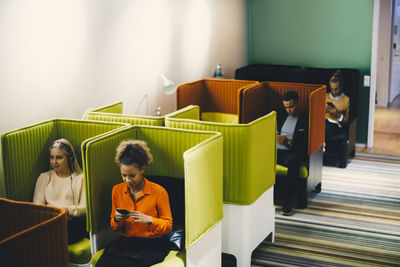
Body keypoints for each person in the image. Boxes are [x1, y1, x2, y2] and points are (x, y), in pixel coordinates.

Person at [96, 140, 173, 267]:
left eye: (132, 175)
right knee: (102, 264)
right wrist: (116, 219)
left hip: (153, 244)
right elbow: (115, 227)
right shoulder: (117, 190)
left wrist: (150, 220)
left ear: (142, 169)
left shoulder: (159, 192)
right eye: (123, 175)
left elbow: (168, 226)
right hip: (128, 242)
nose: (128, 180)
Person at [33, 138, 87, 244]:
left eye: (59, 158)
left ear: (69, 158)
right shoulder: (44, 177)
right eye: (51, 157)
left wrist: (68, 210)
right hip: (49, 221)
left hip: (70, 223)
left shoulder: (81, 178)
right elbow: (36, 207)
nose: (54, 162)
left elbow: (85, 208)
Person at [276, 91, 308, 216]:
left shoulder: (305, 118)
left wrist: (288, 142)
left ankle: (287, 203)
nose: (288, 110)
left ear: (297, 103)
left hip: (291, 152)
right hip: (275, 150)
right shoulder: (279, 115)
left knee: (294, 162)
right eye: (286, 107)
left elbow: (305, 146)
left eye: (291, 106)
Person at [325, 70, 350, 141]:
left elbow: (347, 121)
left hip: (335, 124)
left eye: (336, 89)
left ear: (341, 87)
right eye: (332, 89)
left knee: (325, 127)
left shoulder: (346, 100)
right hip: (322, 121)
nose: (334, 92)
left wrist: (338, 114)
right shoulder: (324, 96)